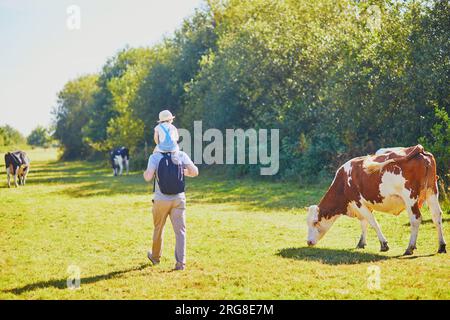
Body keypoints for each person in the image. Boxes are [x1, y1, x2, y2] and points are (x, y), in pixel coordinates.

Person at [143, 149, 199, 271]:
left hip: (161, 200)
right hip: (178, 199)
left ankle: (155, 257)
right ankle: (180, 263)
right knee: (180, 231)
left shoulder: (155, 157)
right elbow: (195, 172)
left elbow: (147, 177)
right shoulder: (181, 155)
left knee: (159, 228)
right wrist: (184, 172)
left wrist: (148, 172)